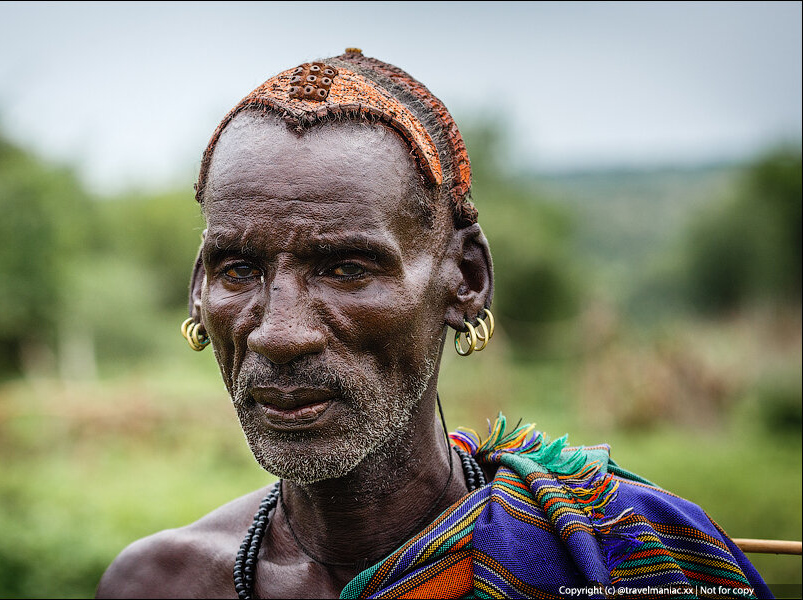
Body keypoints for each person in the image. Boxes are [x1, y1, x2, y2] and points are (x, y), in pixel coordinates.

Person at [96, 50, 771, 599]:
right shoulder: (161, 584)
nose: (279, 333)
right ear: (197, 289)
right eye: (238, 270)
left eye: (347, 268)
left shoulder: (634, 560)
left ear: (466, 279)